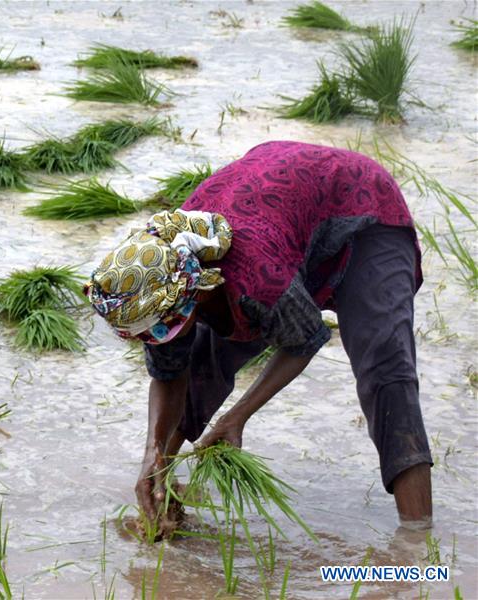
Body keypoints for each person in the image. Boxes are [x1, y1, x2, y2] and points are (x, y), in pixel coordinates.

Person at [84, 141, 433, 532]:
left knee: (385, 369)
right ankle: (159, 499)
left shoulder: (258, 279)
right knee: (200, 367)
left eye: (167, 324)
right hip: (285, 207)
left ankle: (418, 544)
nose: (162, 335)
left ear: (195, 289)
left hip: (362, 208)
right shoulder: (165, 267)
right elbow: (169, 372)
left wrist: (237, 417)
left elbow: (304, 339)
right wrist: (153, 451)